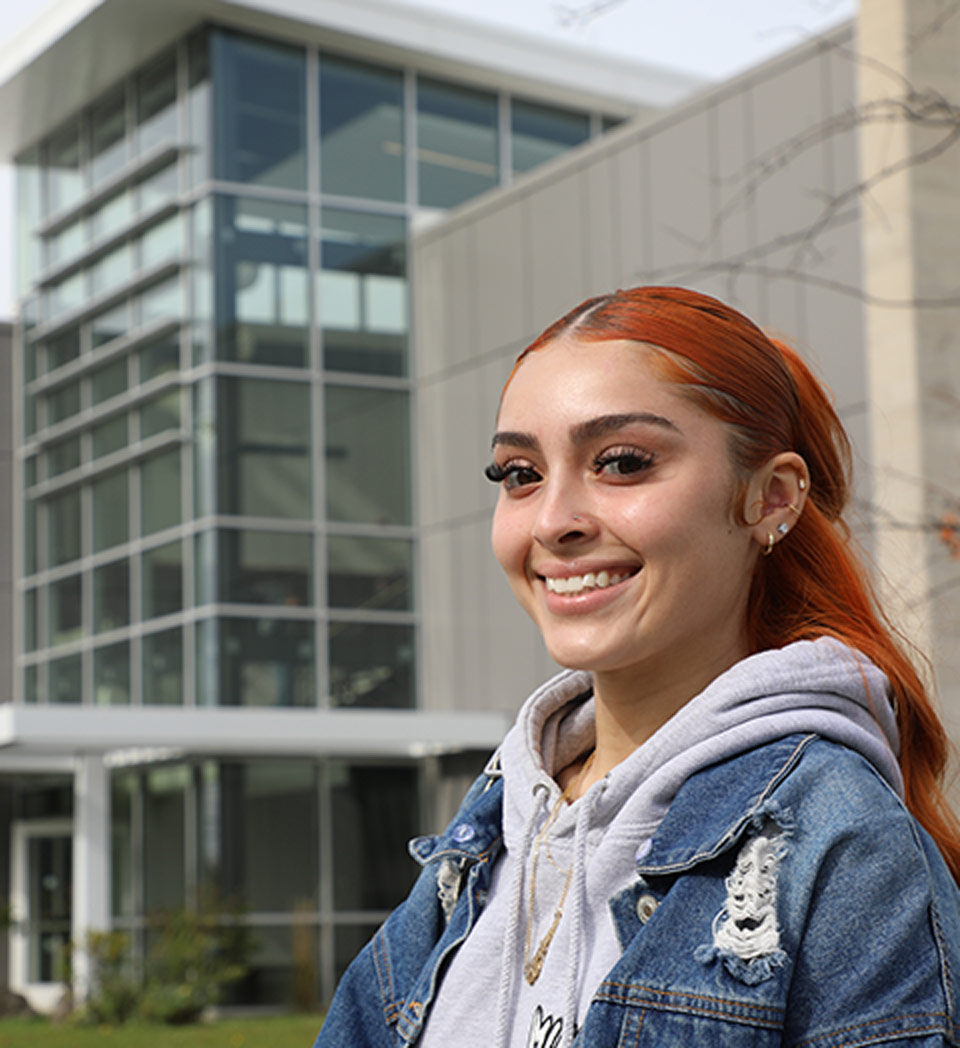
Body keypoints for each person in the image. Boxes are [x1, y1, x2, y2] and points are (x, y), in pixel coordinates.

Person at [314, 286, 960, 1048]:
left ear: (770, 497)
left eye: (621, 462)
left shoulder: (841, 843)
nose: (554, 520)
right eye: (519, 473)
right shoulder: (494, 829)